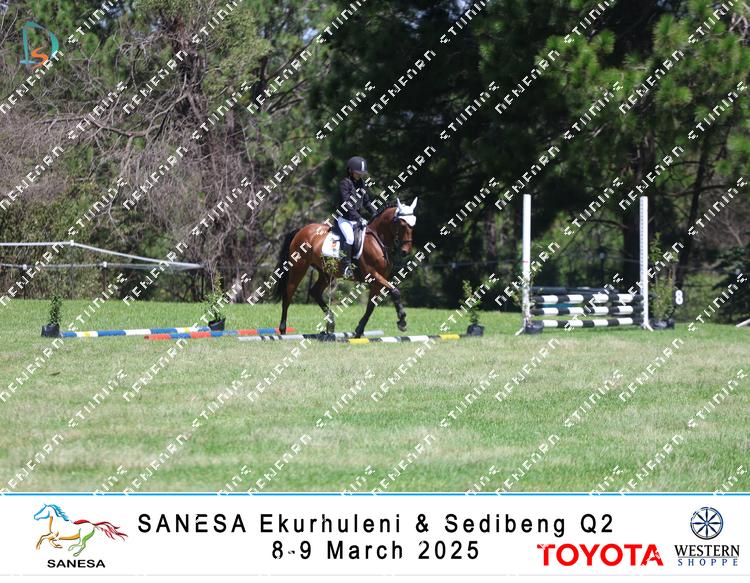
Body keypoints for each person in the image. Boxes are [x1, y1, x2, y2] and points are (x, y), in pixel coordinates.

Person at [337, 156, 378, 277]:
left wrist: (375, 213)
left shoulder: (361, 184)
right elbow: (347, 204)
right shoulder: (344, 183)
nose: (360, 175)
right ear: (350, 171)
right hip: (344, 219)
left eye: (361, 173)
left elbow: (366, 202)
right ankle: (346, 268)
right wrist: (359, 218)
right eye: (357, 173)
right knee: (350, 238)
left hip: (355, 220)